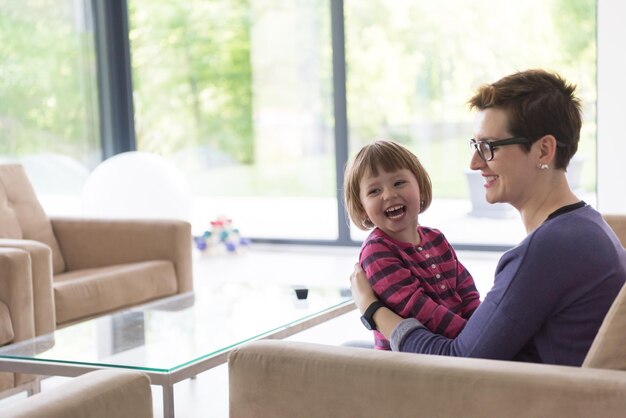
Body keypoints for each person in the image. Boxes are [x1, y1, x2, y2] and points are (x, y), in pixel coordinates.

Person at [350, 69, 626, 366]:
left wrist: (372, 310)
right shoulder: (589, 225)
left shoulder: (547, 250)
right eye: (475, 146)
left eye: (489, 147)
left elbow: (459, 363)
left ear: (543, 151)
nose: (475, 162)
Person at [344, 140, 481, 350]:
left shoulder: (436, 238)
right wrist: (472, 336)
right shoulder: (376, 252)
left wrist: (481, 327)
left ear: (421, 189)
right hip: (409, 361)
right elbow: (417, 308)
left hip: (459, 345)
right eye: (374, 191)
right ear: (362, 208)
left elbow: (467, 291)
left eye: (398, 183)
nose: (389, 195)